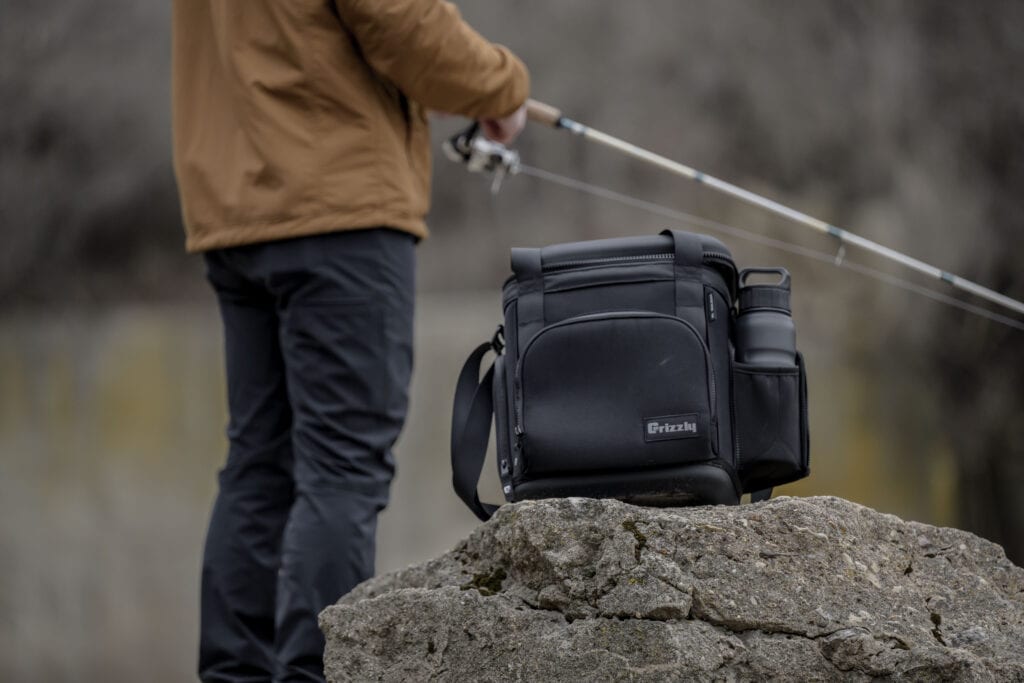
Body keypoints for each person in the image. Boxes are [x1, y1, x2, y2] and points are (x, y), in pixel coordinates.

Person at [170, 2, 529, 681]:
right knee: (341, 467)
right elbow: (403, 21)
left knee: (257, 460)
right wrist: (502, 88)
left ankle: (235, 671)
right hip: (335, 208)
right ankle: (314, 671)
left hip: (233, 209)